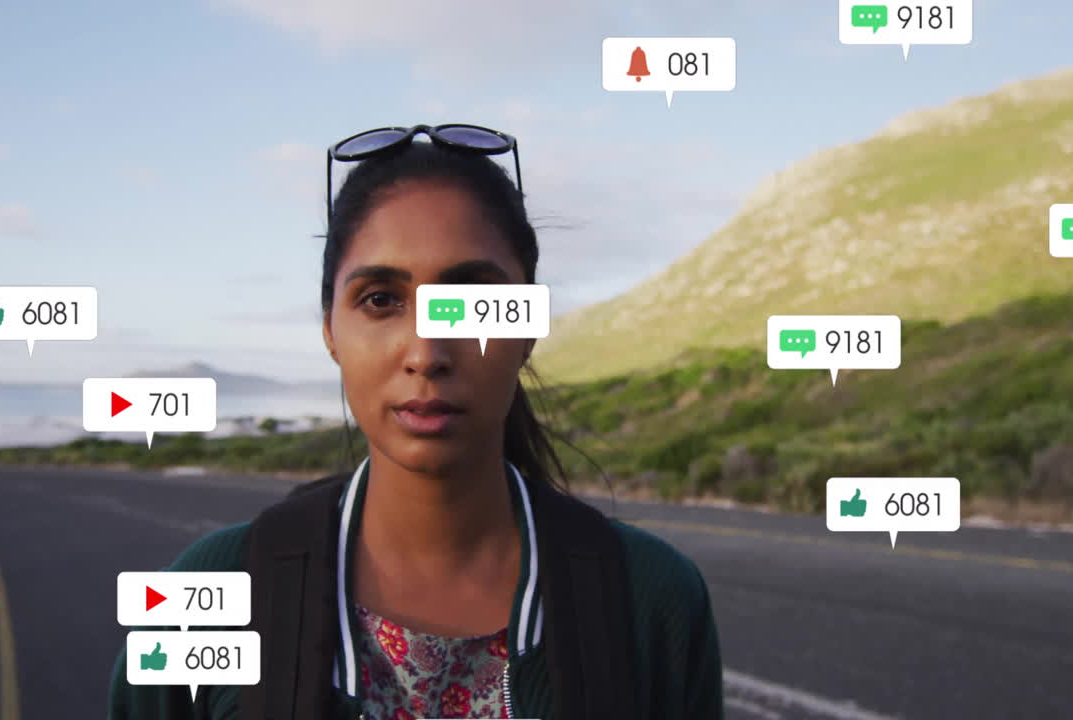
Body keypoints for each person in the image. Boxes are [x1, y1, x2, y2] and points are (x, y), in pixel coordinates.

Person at [108, 124, 723, 719]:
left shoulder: (654, 599)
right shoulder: (203, 599)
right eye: (381, 300)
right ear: (330, 331)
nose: (426, 353)